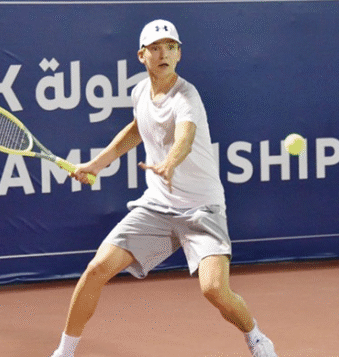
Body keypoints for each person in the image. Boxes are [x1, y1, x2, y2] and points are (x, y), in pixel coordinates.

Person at [48, 19, 278, 357]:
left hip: (201, 209)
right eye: (155, 48)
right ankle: (64, 352)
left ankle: (256, 337)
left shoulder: (187, 96)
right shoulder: (140, 92)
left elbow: (185, 137)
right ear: (142, 56)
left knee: (214, 290)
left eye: (170, 47)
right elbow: (137, 128)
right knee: (97, 269)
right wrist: (96, 164)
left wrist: (169, 163)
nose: (163, 54)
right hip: (157, 206)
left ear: (179, 54)